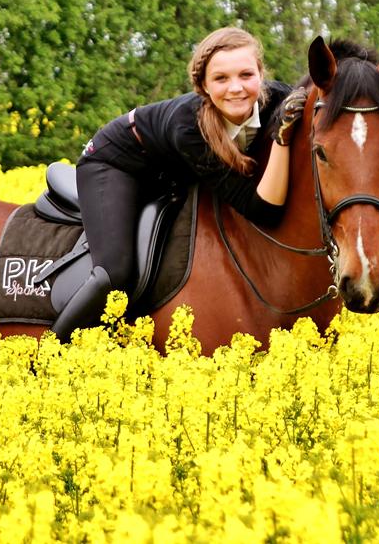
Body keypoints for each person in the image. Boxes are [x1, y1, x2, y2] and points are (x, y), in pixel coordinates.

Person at [51, 27, 307, 342]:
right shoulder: (189, 128)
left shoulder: (279, 99)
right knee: (114, 273)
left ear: (261, 74)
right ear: (203, 86)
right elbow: (262, 210)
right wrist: (283, 140)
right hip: (117, 164)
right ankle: (53, 349)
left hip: (174, 170)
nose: (236, 88)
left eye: (246, 74)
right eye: (221, 79)